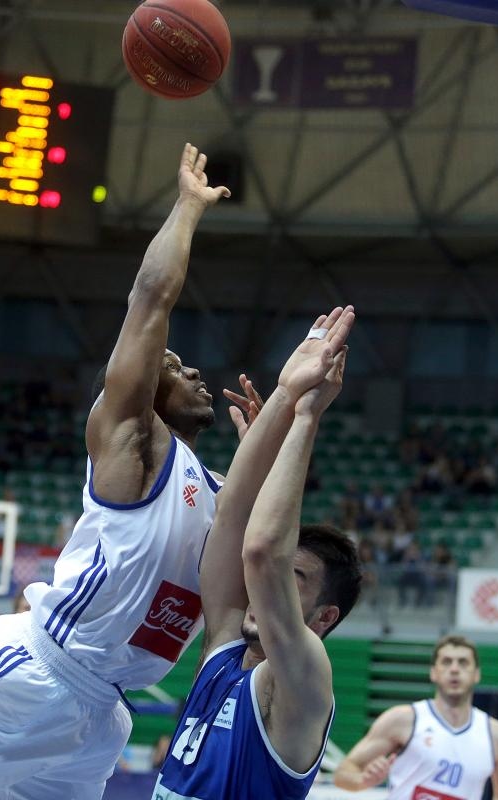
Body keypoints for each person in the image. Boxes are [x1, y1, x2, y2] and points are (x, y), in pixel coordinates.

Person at [0, 143, 256, 800]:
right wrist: (188, 207)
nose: (193, 369)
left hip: (103, 715)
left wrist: (271, 441)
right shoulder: (135, 441)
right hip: (33, 669)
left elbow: (264, 543)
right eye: (172, 366)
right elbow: (150, 298)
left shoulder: (220, 494)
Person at [151, 306, 363, 800]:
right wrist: (272, 428)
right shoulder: (225, 650)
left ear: (324, 617)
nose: (264, 588)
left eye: (295, 578)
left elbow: (264, 551)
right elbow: (231, 517)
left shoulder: (302, 678)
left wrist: (303, 413)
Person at [334, 634, 498, 800]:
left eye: (463, 662)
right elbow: (343, 772)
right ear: (433, 672)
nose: (454, 669)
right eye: (446, 662)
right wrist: (362, 781)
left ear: (476, 674)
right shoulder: (403, 720)